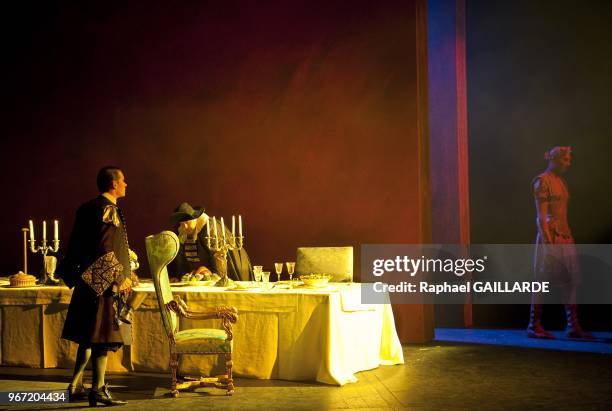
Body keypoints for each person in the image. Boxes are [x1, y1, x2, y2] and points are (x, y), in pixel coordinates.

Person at [56, 166, 131, 406]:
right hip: (103, 283)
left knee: (89, 337)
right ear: (113, 184)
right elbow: (104, 249)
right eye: (123, 181)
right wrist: (120, 278)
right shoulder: (108, 209)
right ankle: (98, 390)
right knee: (101, 337)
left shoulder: (87, 207)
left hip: (87, 281)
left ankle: (76, 385)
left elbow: (76, 247)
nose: (126, 185)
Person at [527, 147, 593, 340]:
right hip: (551, 236)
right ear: (554, 159)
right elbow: (540, 217)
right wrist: (548, 243)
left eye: (569, 159)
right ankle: (534, 325)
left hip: (565, 234)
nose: (568, 163)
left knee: (571, 280)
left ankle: (573, 326)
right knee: (542, 281)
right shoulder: (542, 181)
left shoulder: (560, 181)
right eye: (565, 159)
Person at [167, 202, 254, 282]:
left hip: (223, 272)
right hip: (199, 278)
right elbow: (181, 258)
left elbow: (219, 256)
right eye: (181, 223)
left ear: (195, 218)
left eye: (187, 222)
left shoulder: (210, 227)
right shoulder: (182, 232)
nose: (184, 226)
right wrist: (180, 276)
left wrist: (215, 275)